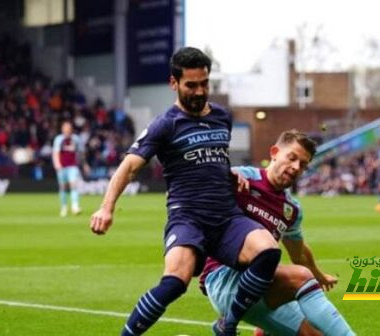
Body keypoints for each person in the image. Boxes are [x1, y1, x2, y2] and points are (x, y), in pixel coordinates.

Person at [90, 47, 281, 336]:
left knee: (268, 251)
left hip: (227, 217)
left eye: (204, 83)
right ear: (174, 83)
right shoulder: (165, 125)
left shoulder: (221, 117)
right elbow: (128, 167)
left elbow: (215, 157)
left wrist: (227, 173)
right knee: (175, 282)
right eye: (191, 85)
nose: (200, 91)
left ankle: (227, 324)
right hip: (188, 218)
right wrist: (106, 207)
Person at [200, 130, 354, 336]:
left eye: (303, 165)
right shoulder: (241, 178)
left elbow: (298, 253)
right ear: (274, 152)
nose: (295, 168)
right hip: (223, 278)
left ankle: (260, 330)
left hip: (259, 285)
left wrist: (320, 276)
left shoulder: (291, 208)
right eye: (292, 158)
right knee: (302, 278)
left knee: (315, 333)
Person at [52, 121, 87, 216]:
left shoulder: (76, 139)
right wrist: (57, 164)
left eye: (69, 128)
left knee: (73, 185)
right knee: (63, 187)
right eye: (65, 128)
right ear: (62, 129)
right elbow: (55, 153)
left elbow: (81, 152)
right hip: (62, 167)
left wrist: (84, 164)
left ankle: (75, 206)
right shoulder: (59, 139)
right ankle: (64, 207)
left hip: (73, 166)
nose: (67, 130)